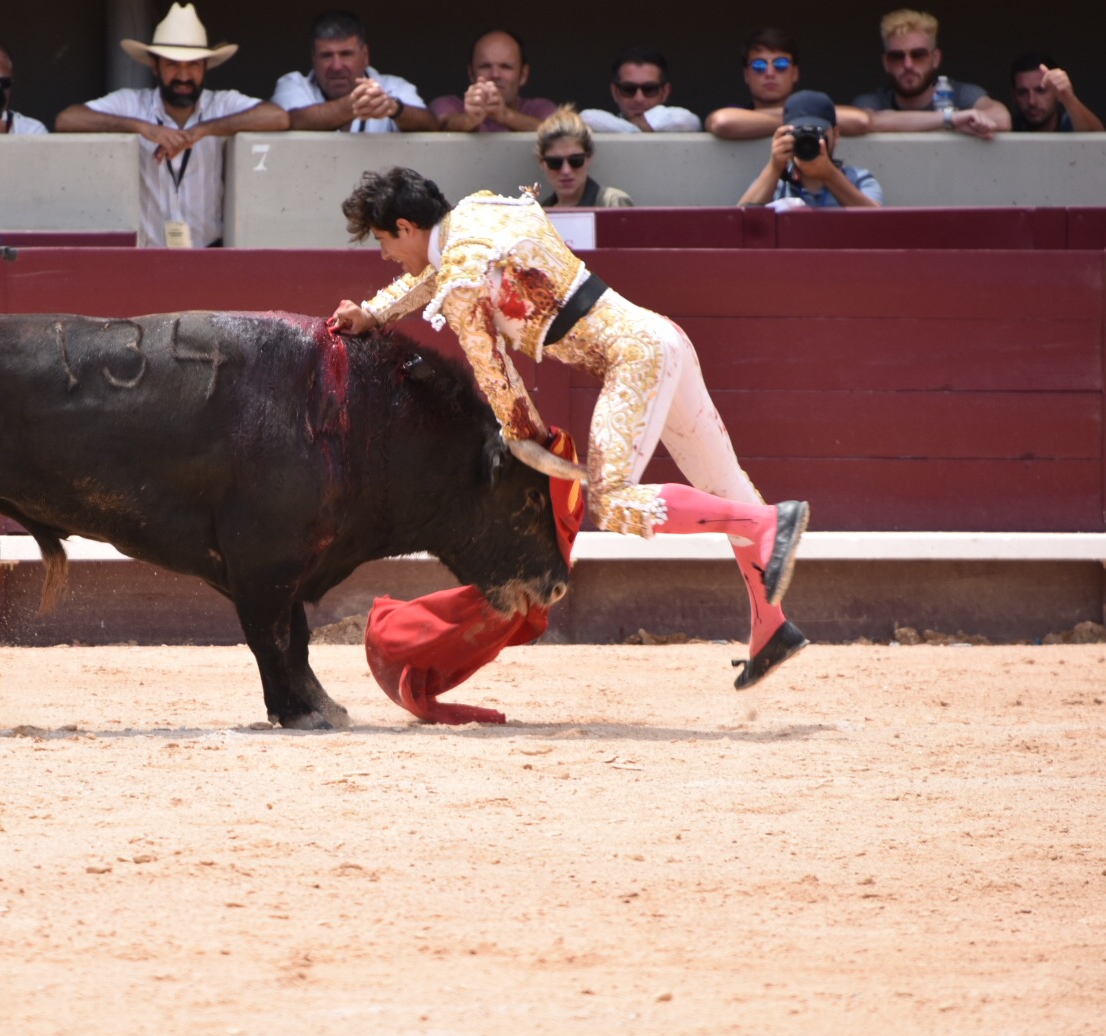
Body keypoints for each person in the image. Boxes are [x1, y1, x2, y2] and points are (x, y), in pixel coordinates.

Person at [328, 167, 810, 689]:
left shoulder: (463, 280)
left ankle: (767, 524)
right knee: (730, 491)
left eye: (382, 241)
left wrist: (528, 441)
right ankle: (771, 627)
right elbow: (440, 273)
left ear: (405, 226)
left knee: (614, 500)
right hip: (661, 337)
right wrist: (375, 311)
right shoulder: (481, 211)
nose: (383, 255)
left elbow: (498, 377)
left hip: (633, 360)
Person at [55, 3, 287, 249]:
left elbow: (277, 117)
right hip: (146, 259)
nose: (183, 76)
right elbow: (67, 119)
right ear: (155, 67)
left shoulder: (220, 104)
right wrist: (144, 128)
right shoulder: (133, 104)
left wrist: (201, 130)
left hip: (208, 255)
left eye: (193, 65)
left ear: (205, 68)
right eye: (172, 64)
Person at [272, 10, 438, 132]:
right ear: (313, 58)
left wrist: (392, 107)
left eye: (346, 54)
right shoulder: (293, 84)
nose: (336, 66)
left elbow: (431, 125)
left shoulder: (394, 87)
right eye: (326, 56)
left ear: (365, 56)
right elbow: (293, 121)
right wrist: (362, 102)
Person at [852, 9, 1010, 137]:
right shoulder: (873, 101)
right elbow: (866, 121)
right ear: (886, 63)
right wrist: (951, 120)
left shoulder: (960, 94)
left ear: (935, 58)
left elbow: (1001, 119)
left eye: (918, 54)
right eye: (897, 56)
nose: (908, 64)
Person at [706, 28, 870, 138]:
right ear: (746, 75)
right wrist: (804, 121)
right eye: (759, 66)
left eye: (781, 64)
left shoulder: (812, 106)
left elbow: (859, 120)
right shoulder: (738, 111)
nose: (770, 73)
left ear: (795, 73)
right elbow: (722, 122)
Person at [738, 90, 882, 208]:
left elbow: (878, 224)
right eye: (800, 133)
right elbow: (737, 225)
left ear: (836, 134)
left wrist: (829, 175)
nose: (809, 140)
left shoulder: (859, 179)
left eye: (818, 132)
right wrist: (775, 166)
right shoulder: (775, 182)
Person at [431, 30, 554, 133]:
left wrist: (504, 115)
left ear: (523, 75)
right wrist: (469, 120)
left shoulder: (540, 108)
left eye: (505, 66)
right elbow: (438, 124)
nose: (495, 75)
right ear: (471, 73)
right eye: (485, 66)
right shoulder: (448, 104)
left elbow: (559, 132)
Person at [581, 47, 700, 133]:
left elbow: (684, 120)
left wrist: (630, 128)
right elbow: (586, 118)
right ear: (615, 92)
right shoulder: (601, 125)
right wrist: (638, 129)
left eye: (649, 89)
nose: (639, 98)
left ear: (665, 92)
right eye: (628, 89)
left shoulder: (678, 121)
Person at [534, 106, 633, 208]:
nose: (566, 171)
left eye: (576, 160)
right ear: (542, 163)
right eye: (555, 163)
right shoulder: (537, 215)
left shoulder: (612, 203)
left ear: (588, 158)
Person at [1009, 52, 1104, 133]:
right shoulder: (1009, 127)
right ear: (1013, 97)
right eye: (1022, 93)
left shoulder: (1070, 123)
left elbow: (1099, 142)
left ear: (1056, 92)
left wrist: (1068, 98)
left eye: (1041, 90)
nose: (1031, 101)